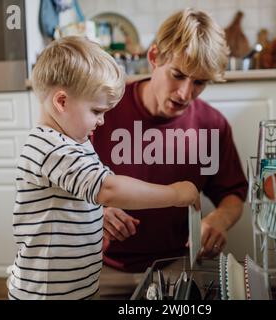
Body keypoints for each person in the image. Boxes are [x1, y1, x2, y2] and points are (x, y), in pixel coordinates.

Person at [7, 36, 200, 300]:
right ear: (61, 102)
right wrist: (176, 194)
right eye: (97, 111)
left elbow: (88, 194)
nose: (101, 121)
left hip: (78, 285)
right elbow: (107, 188)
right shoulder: (48, 147)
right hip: (47, 292)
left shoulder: (75, 142)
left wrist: (97, 214)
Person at [93, 8, 248, 299]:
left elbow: (233, 194)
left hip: (176, 267)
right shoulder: (101, 111)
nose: (185, 94)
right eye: (178, 75)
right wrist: (94, 212)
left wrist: (219, 220)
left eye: (200, 82)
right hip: (100, 264)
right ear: (154, 58)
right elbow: (62, 183)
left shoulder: (212, 124)